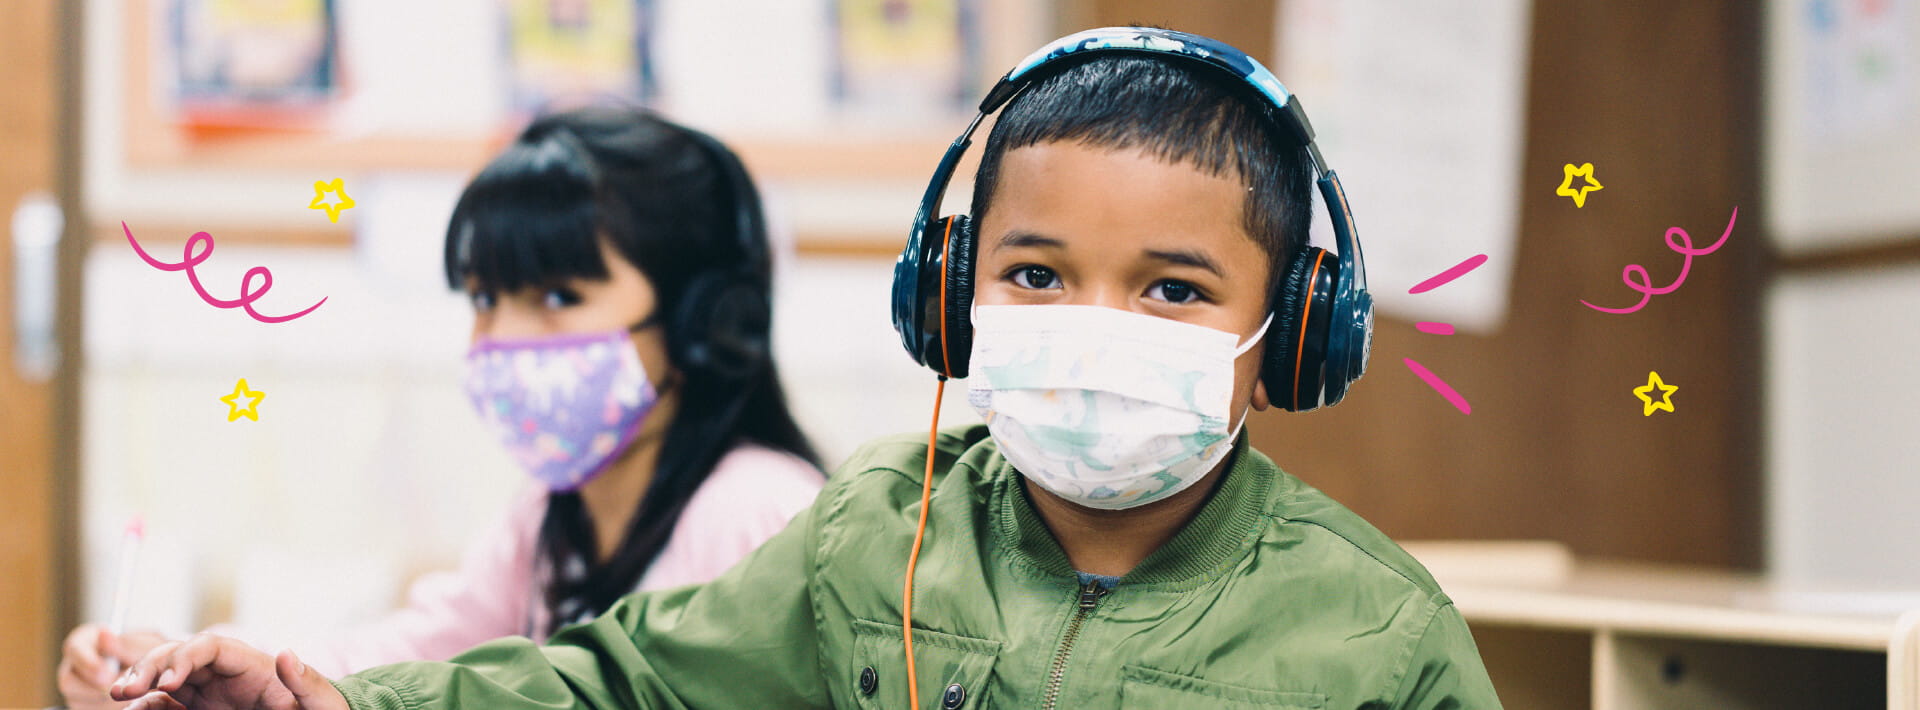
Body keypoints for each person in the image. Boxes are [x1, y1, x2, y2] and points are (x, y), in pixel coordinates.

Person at [110, 28, 1502, 709]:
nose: (1095, 321)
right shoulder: (875, 531)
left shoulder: (1378, 635)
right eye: (1033, 273)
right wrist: (329, 695)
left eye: (1175, 289)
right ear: (952, 299)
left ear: (1294, 336)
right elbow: (624, 685)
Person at [62, 106, 824, 708]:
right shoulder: (549, 521)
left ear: (704, 323)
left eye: (558, 296)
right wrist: (196, 668)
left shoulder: (760, 515)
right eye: (486, 299)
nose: (503, 339)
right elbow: (405, 653)